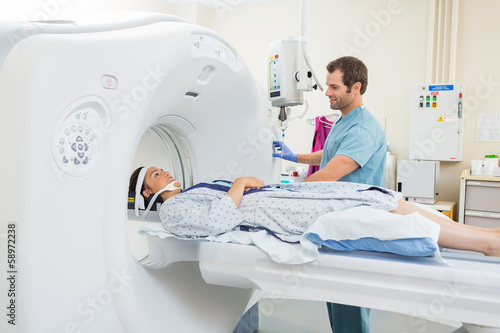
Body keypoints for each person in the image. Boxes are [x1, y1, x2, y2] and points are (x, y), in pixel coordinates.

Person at [129, 166, 500, 259]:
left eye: (164, 168)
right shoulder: (173, 210)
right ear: (149, 192)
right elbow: (216, 223)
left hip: (286, 198)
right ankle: (485, 245)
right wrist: (239, 185)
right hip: (281, 214)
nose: (168, 173)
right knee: (374, 208)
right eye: (158, 174)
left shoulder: (193, 190)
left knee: (376, 196)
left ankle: (488, 236)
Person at [273, 56, 385, 333]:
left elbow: (331, 172)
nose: (327, 93)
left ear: (355, 87)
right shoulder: (345, 120)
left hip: (355, 226)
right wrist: (294, 156)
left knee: (350, 305)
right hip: (338, 223)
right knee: (335, 298)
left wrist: (287, 194)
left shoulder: (362, 127)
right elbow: (331, 152)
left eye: (334, 87)